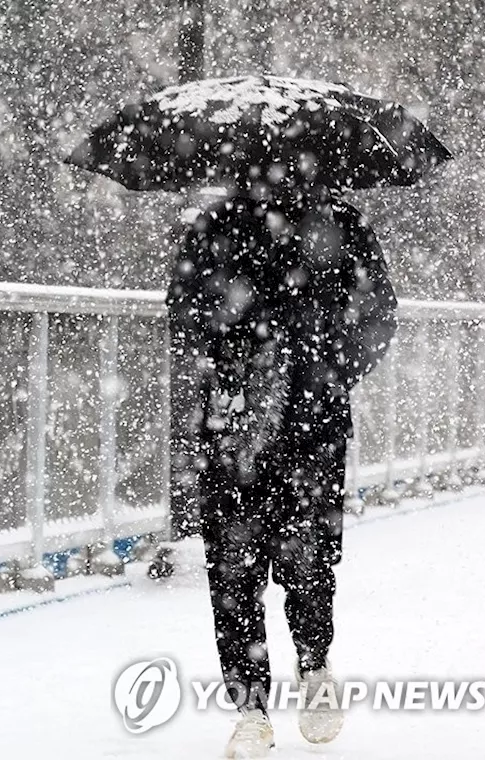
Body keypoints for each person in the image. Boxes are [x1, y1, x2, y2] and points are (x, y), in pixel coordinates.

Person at [166, 182, 397, 757]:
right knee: (235, 569)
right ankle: (251, 708)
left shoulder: (336, 226)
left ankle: (313, 668)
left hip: (303, 426)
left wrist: (327, 370)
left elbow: (376, 315)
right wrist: (236, 356)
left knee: (304, 558)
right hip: (238, 426)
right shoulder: (219, 226)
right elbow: (186, 310)